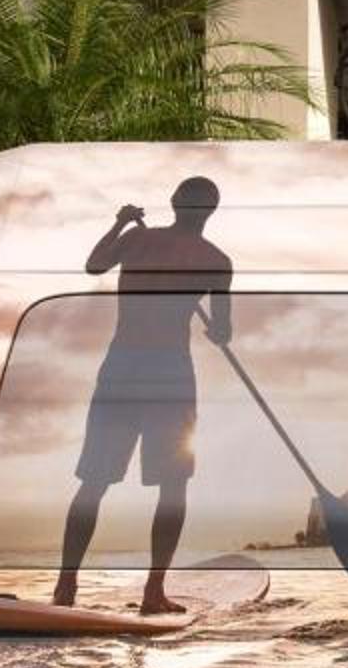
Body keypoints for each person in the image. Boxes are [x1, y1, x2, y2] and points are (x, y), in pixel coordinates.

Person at [55, 177, 233, 613]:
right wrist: (216, 329)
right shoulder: (217, 261)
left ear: (174, 203)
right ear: (211, 211)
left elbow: (94, 265)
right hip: (169, 372)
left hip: (124, 366)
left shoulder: (139, 239)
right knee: (172, 485)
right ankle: (153, 592)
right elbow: (223, 333)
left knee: (95, 481)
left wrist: (119, 223)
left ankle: (66, 586)